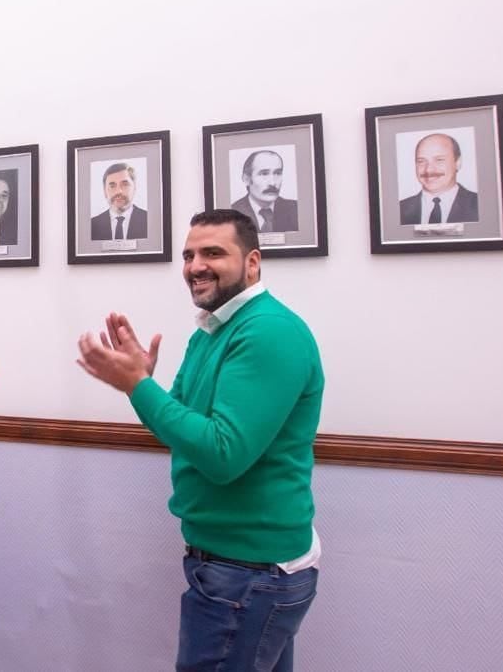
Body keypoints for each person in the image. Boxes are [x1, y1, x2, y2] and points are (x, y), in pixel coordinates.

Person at [77, 209, 324, 671]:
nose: (195, 266)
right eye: (189, 255)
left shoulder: (268, 330)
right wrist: (144, 383)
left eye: (213, 253)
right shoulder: (212, 330)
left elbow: (222, 455)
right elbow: (185, 433)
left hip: (251, 574)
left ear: (253, 263)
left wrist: (137, 386)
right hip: (238, 570)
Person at [399, 132, 479, 225]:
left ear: (458, 163)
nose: (428, 169)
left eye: (439, 160)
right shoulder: (399, 210)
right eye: (421, 161)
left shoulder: (481, 206)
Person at [231, 150, 299, 233]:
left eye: (277, 173)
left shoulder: (296, 210)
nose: (272, 183)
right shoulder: (232, 214)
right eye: (264, 174)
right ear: (247, 179)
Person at [90, 162, 149, 240]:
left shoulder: (150, 221)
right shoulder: (91, 225)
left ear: (134, 188)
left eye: (125, 184)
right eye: (112, 186)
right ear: (104, 191)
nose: (118, 191)